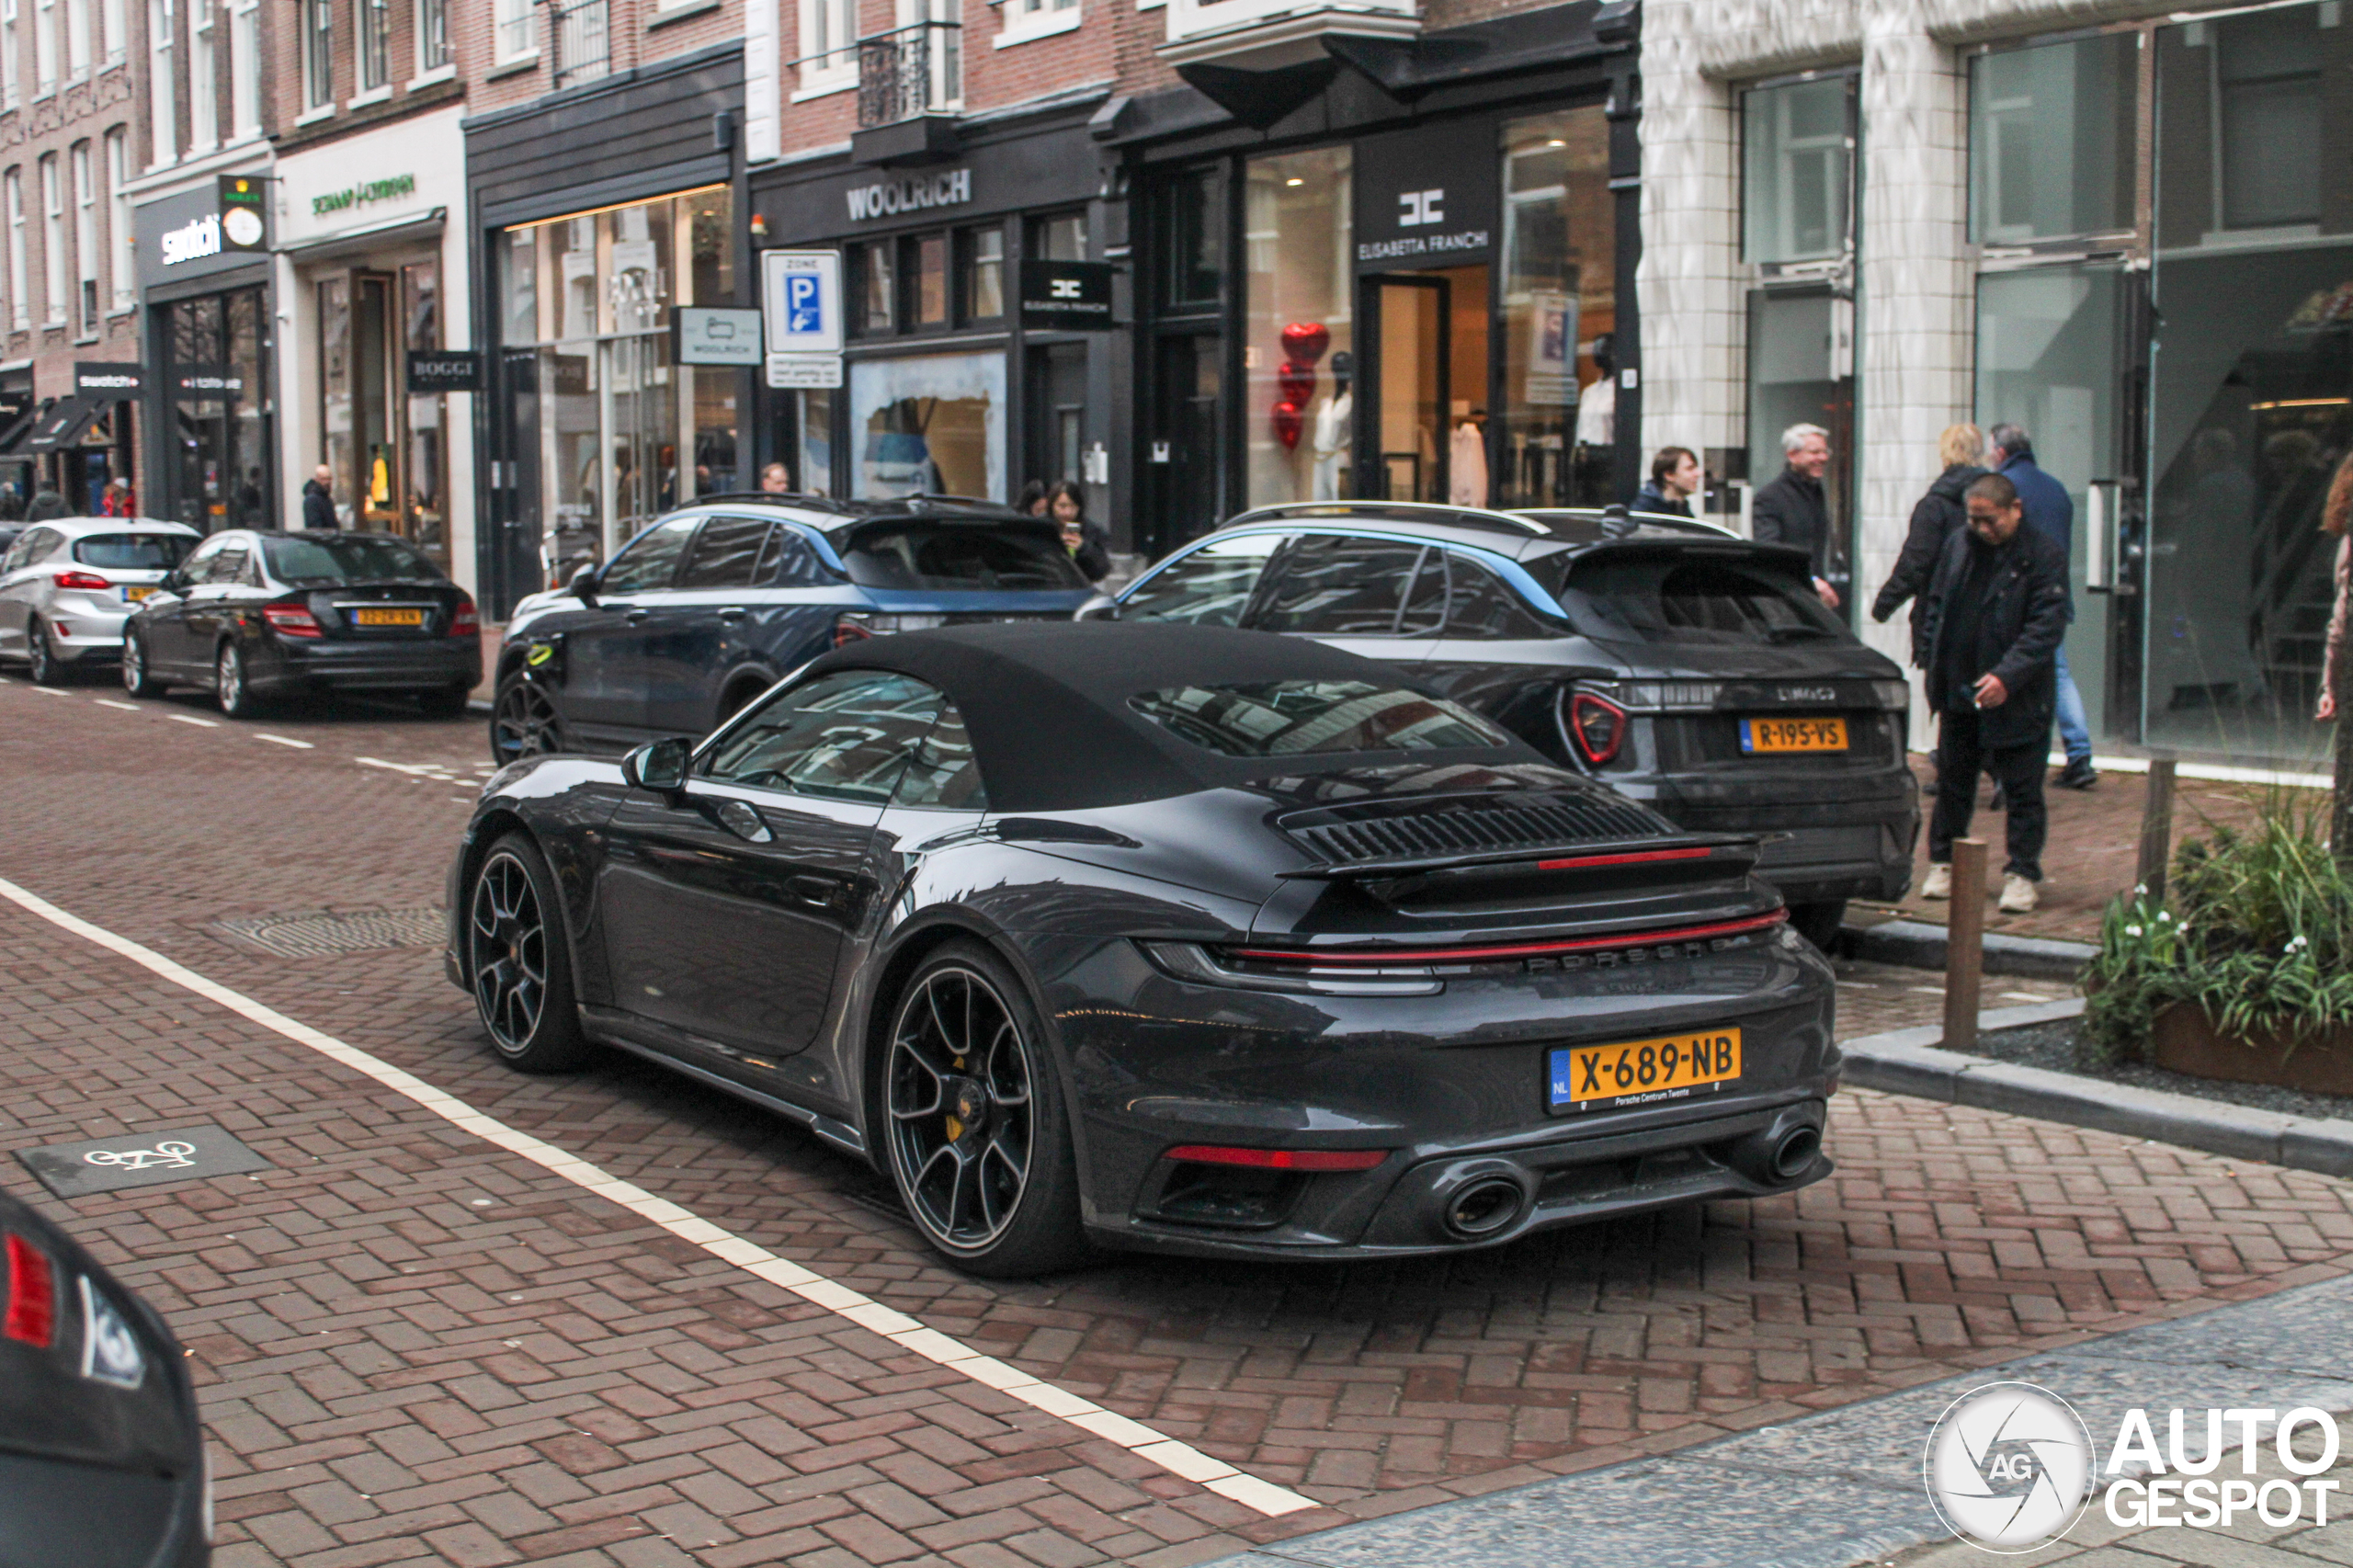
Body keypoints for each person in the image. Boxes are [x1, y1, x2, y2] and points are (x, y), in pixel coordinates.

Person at [1915, 472, 2071, 915]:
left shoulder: (2042, 555)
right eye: (1975, 520)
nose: (1983, 529)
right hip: (1959, 687)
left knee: (2023, 787)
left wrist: (2007, 675)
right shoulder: (1958, 546)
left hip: (2017, 695)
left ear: (2015, 510)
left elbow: (2046, 626)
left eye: (1992, 520)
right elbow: (1938, 603)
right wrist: (1931, 655)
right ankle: (1942, 862)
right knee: (1953, 782)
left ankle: (2022, 872)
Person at [1986, 422, 2095, 790]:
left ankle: (2008, 764)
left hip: (2017, 601)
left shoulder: (2005, 490)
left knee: (2009, 674)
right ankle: (2079, 754)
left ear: (2000, 453)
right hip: (2054, 598)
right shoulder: (2056, 489)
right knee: (2059, 673)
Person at [1874, 424, 1986, 632]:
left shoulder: (1936, 504)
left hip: (1944, 613)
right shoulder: (1998, 497)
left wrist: (1884, 604)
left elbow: (1916, 561)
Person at [1751, 423, 1840, 608]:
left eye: (1825, 452)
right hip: (1784, 599)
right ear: (1792, 455)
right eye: (1815, 452)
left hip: (1811, 596)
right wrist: (1812, 580)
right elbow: (1770, 551)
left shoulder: (1816, 491)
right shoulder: (1770, 497)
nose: (1823, 458)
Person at [1046, 480, 1110, 584]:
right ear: (1052, 506)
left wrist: (1083, 547)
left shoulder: (1090, 530)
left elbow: (1102, 569)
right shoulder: (1041, 527)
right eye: (1062, 506)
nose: (1068, 512)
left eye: (1073, 506)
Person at [1635, 447, 1701, 517]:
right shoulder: (1644, 512)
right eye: (1690, 468)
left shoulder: (1683, 510)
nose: (1699, 473)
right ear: (1669, 475)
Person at [301, 464, 336, 531]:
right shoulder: (311, 500)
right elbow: (314, 527)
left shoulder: (327, 498)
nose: (327, 482)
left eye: (329, 479)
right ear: (316, 479)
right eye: (323, 479)